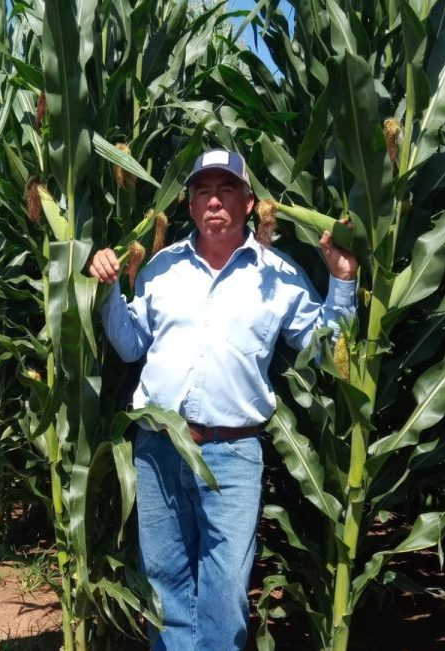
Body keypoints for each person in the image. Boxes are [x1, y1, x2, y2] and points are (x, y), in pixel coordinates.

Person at [87, 149, 358, 650]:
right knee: (164, 585)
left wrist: (341, 279)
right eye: (203, 191)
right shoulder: (161, 268)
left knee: (226, 590)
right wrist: (105, 289)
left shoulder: (278, 274)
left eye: (227, 189)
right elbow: (130, 344)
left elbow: (325, 351)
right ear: (189, 206)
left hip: (232, 454)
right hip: (158, 450)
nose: (214, 201)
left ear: (249, 203)